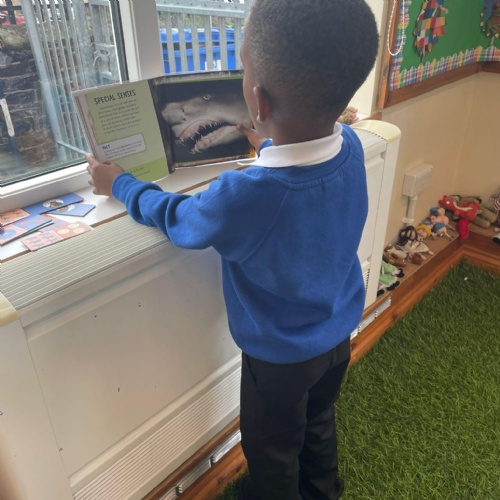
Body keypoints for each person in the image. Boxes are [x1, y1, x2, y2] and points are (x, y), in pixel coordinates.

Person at [87, 1, 378, 498]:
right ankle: (324, 491)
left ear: (258, 101)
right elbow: (305, 173)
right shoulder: (350, 145)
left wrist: (120, 184)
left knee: (271, 449)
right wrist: (265, 144)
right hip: (336, 338)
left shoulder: (245, 195)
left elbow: (180, 219)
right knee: (318, 422)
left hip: (278, 361)